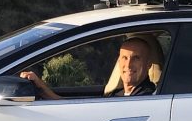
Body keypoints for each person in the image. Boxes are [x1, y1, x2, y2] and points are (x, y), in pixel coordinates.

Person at [21, 37, 157, 100]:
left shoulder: (146, 98)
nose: (128, 65)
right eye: (124, 58)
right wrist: (41, 88)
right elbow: (75, 108)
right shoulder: (118, 95)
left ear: (148, 64)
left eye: (136, 58)